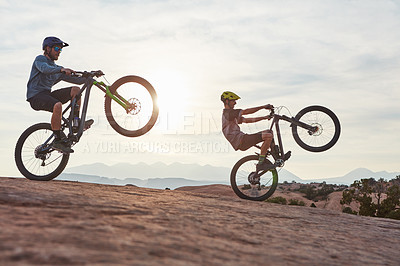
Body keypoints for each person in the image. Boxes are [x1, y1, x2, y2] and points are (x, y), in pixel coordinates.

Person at [27, 36, 93, 153]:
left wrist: (89, 77)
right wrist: (61, 70)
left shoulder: (57, 69)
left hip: (47, 94)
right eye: (57, 48)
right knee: (57, 105)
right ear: (47, 49)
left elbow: (75, 79)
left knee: (76, 90)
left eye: (60, 50)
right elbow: (44, 69)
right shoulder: (40, 60)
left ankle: (76, 123)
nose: (59, 52)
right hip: (36, 96)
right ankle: (57, 140)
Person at [221, 91, 290, 170]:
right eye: (233, 100)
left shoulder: (231, 115)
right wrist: (263, 107)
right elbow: (246, 111)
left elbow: (248, 120)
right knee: (268, 136)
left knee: (269, 132)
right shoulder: (228, 113)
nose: (235, 103)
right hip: (241, 141)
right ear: (227, 101)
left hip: (243, 138)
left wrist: (264, 117)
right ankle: (261, 163)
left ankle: (277, 158)